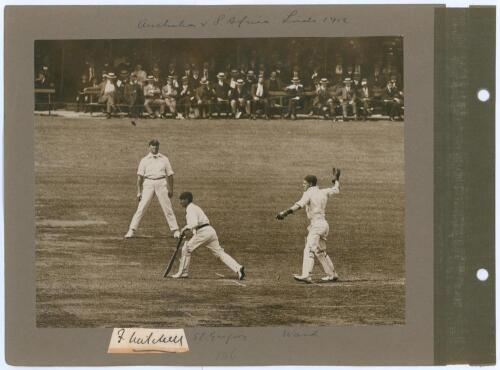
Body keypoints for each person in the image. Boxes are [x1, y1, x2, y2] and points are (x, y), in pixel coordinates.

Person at [276, 170, 341, 283]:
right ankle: (332, 274)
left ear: (310, 184)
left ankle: (306, 275)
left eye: (304, 184)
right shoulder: (323, 192)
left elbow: (299, 205)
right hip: (324, 225)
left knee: (308, 249)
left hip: (316, 226)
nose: (303, 185)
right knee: (320, 251)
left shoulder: (309, 193)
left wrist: (284, 213)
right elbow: (336, 189)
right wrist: (336, 181)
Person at [170, 191, 245, 280]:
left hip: (203, 232)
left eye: (182, 200)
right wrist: (187, 233)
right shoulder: (194, 207)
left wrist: (184, 229)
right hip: (210, 232)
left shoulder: (190, 208)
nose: (180, 202)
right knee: (220, 253)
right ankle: (238, 268)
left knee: (186, 249)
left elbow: (194, 223)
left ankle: (182, 273)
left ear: (187, 200)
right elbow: (195, 227)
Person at [125, 139, 180, 239]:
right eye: (152, 146)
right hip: (148, 183)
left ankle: (175, 230)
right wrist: (139, 192)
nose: (154, 148)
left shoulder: (164, 159)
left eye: (156, 146)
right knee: (141, 208)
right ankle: (131, 230)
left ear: (159, 147)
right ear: (149, 147)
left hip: (161, 183)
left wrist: (171, 189)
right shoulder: (144, 160)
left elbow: (170, 175)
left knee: (167, 207)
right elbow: (140, 177)